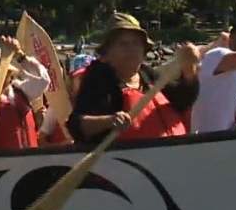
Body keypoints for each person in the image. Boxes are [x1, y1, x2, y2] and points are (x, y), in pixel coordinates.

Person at [66, 13, 200, 144]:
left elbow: (183, 100)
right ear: (107, 53)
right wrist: (109, 121)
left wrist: (189, 68)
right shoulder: (99, 79)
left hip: (170, 153)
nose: (131, 49)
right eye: (123, 44)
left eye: (136, 43)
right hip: (123, 157)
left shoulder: (147, 74)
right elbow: (76, 125)